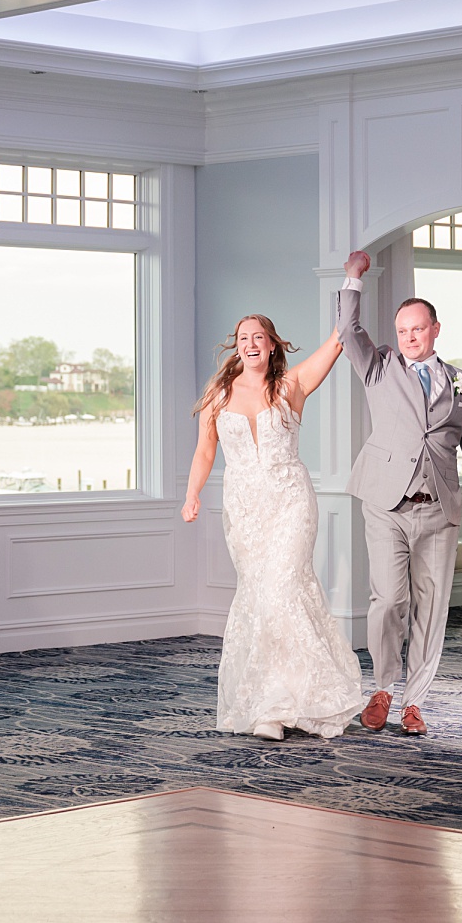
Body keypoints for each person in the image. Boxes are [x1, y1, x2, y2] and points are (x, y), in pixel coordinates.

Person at [183, 313, 367, 740]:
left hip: (290, 501)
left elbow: (338, 341)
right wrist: (191, 495)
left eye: (258, 337)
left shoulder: (291, 386)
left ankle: (309, 698)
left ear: (271, 345)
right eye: (243, 338)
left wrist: (352, 277)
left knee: (283, 588)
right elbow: (204, 452)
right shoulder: (219, 394)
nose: (250, 344)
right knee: (260, 598)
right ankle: (270, 704)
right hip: (245, 510)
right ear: (238, 346)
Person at [336, 250, 462, 736]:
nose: (408, 337)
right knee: (388, 600)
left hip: (440, 511)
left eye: (417, 330)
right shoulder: (379, 367)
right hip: (385, 504)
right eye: (402, 330)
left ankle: (415, 701)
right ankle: (382, 689)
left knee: (432, 606)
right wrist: (353, 278)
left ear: (435, 329)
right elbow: (347, 330)